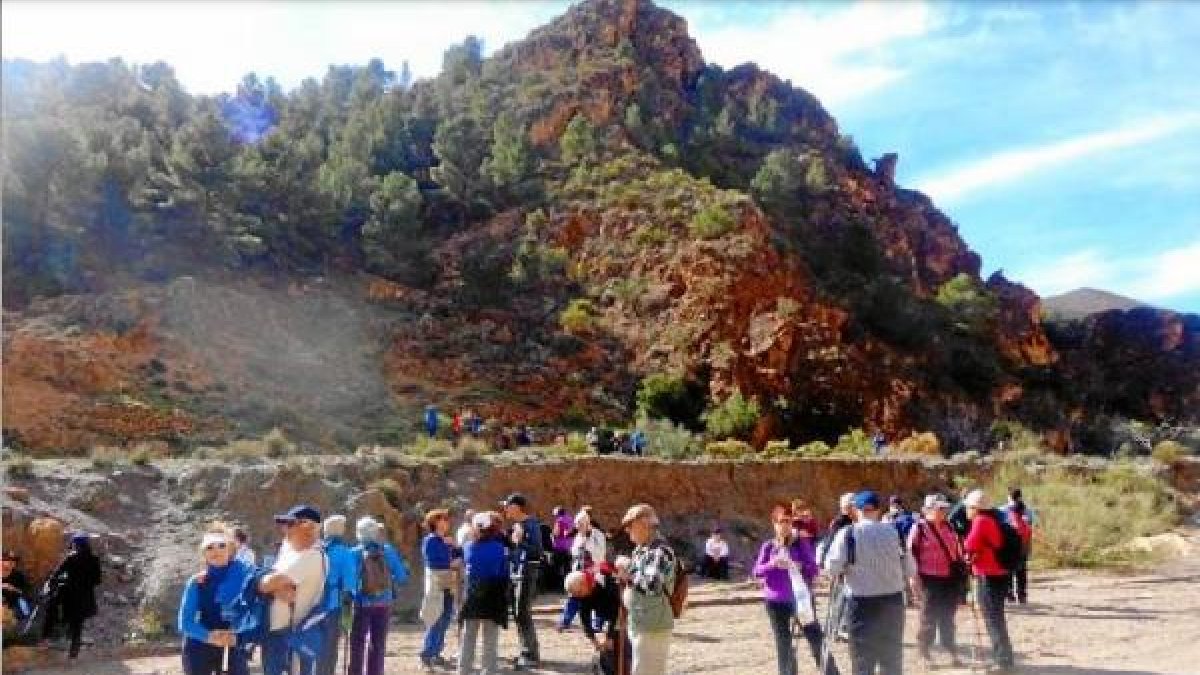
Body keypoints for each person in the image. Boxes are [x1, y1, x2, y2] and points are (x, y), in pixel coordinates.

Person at [823, 490, 917, 675]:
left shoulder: (847, 534)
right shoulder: (894, 532)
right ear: (878, 510)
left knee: (863, 661)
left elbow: (831, 569)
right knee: (891, 661)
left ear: (856, 510)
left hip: (861, 604)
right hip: (893, 603)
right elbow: (910, 569)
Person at [754, 505, 839, 675]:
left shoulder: (800, 543)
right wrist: (773, 564)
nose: (785, 525)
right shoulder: (769, 546)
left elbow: (813, 569)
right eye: (781, 522)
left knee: (815, 638)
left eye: (788, 521)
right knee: (783, 644)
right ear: (774, 524)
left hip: (800, 600)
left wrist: (798, 565)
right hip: (776, 602)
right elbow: (756, 571)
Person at [257, 505, 328, 675]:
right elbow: (263, 577)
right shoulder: (290, 551)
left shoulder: (311, 556)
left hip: (292, 635)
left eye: (290, 524)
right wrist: (273, 589)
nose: (284, 529)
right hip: (280, 633)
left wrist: (268, 586)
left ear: (309, 527)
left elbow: (266, 583)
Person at [178, 524, 255, 675]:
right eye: (209, 547)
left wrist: (237, 635)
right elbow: (185, 622)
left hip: (233, 640)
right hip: (199, 642)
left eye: (221, 545)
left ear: (231, 549)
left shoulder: (248, 577)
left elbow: (254, 613)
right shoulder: (197, 582)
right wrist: (210, 637)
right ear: (203, 553)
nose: (216, 550)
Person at [617, 504, 676, 675]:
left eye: (630, 526)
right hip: (641, 622)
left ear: (644, 525)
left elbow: (653, 585)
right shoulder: (642, 549)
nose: (627, 531)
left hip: (653, 625)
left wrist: (628, 573)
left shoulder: (659, 551)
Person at [907, 494, 965, 669]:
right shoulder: (919, 528)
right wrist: (912, 578)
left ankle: (950, 649)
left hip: (949, 578)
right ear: (928, 510)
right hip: (928, 579)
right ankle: (924, 652)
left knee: (948, 617)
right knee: (929, 617)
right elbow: (910, 555)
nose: (944, 511)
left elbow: (955, 550)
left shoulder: (949, 526)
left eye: (944, 508)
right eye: (940, 508)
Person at [962, 489, 1015, 673]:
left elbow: (968, 544)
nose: (966, 510)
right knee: (996, 618)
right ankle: (1005, 658)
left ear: (976, 508)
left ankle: (1002, 662)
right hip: (999, 574)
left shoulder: (981, 521)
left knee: (992, 619)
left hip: (989, 576)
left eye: (968, 507)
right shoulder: (994, 519)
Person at [349, 516, 410, 675]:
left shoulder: (354, 553)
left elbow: (350, 581)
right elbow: (402, 577)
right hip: (384, 603)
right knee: (378, 644)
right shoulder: (388, 550)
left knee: (357, 643)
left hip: (362, 603)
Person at [458, 512, 509, 675]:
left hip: (472, 594)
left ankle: (463, 670)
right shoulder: (500, 548)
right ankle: (489, 671)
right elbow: (503, 571)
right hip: (493, 594)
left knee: (468, 637)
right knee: (490, 638)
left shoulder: (467, 547)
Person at [40, 533, 102, 660]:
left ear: (75, 544)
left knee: (52, 610)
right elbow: (97, 580)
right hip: (85, 597)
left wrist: (52, 585)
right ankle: (73, 655)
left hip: (68, 595)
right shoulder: (95, 559)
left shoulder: (71, 558)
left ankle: (45, 640)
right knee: (77, 625)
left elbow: (56, 574)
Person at [501, 493, 543, 668]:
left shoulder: (531, 524)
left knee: (522, 612)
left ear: (516, 507)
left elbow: (536, 551)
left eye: (507, 506)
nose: (504, 509)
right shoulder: (519, 525)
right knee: (519, 613)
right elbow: (517, 550)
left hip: (527, 572)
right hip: (518, 572)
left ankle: (531, 656)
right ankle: (526, 651)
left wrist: (518, 542)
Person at [316, 515, 358, 675]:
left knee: (314, 645)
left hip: (312, 604)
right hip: (333, 605)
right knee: (329, 648)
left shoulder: (317, 548)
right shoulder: (344, 552)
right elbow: (349, 586)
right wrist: (347, 617)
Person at [420, 509, 459, 671]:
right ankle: (427, 653)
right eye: (442, 519)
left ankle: (436, 653)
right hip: (437, 586)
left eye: (446, 519)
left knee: (445, 619)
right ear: (435, 522)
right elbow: (434, 561)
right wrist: (451, 562)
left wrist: (454, 547)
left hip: (447, 585)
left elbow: (459, 555)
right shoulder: (431, 540)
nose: (446, 522)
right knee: (436, 618)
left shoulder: (445, 540)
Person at [559, 510, 608, 632]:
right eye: (577, 525)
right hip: (579, 573)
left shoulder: (598, 535)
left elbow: (600, 553)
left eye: (580, 525)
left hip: (594, 573)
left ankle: (597, 624)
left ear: (587, 524)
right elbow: (574, 553)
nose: (578, 527)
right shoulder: (578, 536)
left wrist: (587, 540)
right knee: (573, 597)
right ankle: (565, 622)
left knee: (598, 599)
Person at [564, 566, 621, 666]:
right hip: (606, 613)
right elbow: (585, 618)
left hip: (623, 613)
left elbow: (616, 611)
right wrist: (594, 640)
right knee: (607, 651)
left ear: (584, 584)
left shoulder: (607, 584)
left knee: (619, 648)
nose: (578, 596)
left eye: (578, 593)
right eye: (575, 595)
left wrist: (610, 636)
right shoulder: (582, 593)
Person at [549, 506, 574, 597]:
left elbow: (556, 533)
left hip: (559, 547)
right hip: (569, 547)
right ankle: (569, 587)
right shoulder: (570, 519)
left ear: (557, 513)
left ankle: (560, 588)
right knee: (568, 568)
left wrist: (551, 536)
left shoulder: (559, 520)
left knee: (558, 568)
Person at [2, 551, 32, 624]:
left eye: (14, 561)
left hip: (13, 606)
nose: (12, 563)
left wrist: (14, 589)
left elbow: (27, 591)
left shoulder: (18, 576)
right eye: (8, 560)